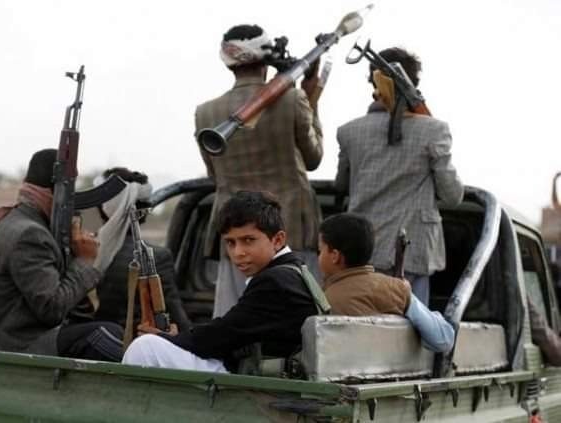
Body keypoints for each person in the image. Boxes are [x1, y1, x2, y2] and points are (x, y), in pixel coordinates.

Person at [196, 24, 325, 317]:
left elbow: (214, 175)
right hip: (290, 231)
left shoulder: (205, 113)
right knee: (299, 319)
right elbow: (314, 158)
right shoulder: (292, 99)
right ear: (266, 59)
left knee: (232, 320)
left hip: (233, 234)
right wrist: (311, 100)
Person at [122, 191, 327, 373]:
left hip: (265, 381)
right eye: (230, 242)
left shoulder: (276, 281)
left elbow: (221, 336)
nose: (238, 253)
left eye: (248, 240)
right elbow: (231, 331)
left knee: (145, 347)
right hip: (262, 369)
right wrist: (177, 338)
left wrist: (169, 339)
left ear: (278, 240)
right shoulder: (294, 270)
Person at [0, 149, 123, 362]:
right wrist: (84, 261)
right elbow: (52, 309)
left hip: (23, 335)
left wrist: (70, 253)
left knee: (111, 331)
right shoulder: (30, 234)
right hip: (18, 344)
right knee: (103, 336)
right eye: (71, 187)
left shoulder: (23, 221)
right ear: (57, 189)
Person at [335, 47, 464, 305]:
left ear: (374, 83)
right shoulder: (434, 130)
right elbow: (453, 196)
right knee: (410, 325)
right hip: (411, 255)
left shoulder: (348, 131)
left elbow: (341, 186)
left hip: (362, 252)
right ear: (413, 83)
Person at [319, 213, 455, 353]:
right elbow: (444, 339)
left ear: (335, 256)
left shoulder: (322, 300)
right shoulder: (394, 289)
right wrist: (405, 293)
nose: (318, 256)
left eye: (320, 250)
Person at [91, 167, 191, 332]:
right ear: (142, 212)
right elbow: (175, 315)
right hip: (133, 343)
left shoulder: (82, 250)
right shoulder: (156, 257)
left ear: (103, 208)